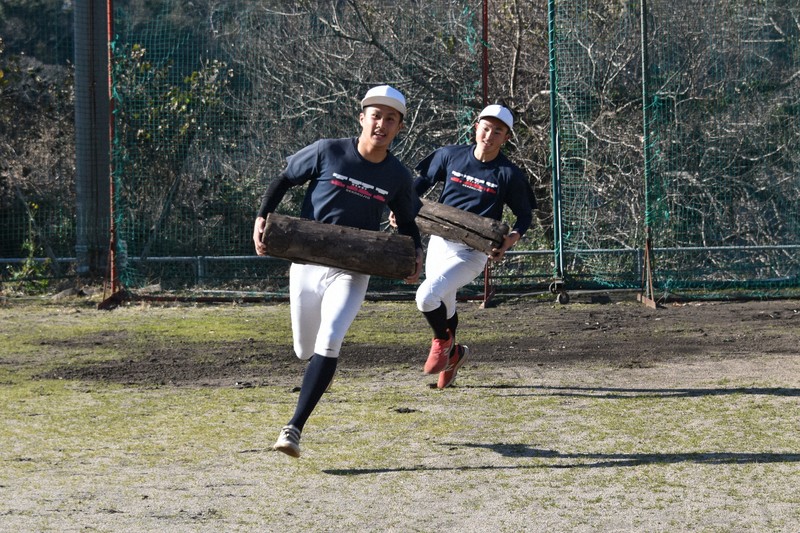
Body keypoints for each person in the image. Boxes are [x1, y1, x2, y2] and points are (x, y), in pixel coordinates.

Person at [252, 85, 423, 458]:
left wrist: (416, 256)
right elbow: (284, 178)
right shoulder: (327, 150)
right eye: (376, 115)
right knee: (304, 349)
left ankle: (293, 428)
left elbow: (408, 221)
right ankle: (311, 374)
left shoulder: (397, 175)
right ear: (362, 117)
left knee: (330, 341)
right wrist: (262, 216)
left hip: (352, 270)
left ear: (399, 127)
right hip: (307, 265)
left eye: (391, 119)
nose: (382, 124)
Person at [412, 104, 536, 389]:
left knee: (426, 296)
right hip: (440, 241)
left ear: (506, 137)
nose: (490, 135)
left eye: (498, 131)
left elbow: (524, 216)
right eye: (486, 127)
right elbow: (422, 182)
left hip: (473, 252)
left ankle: (442, 343)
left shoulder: (508, 174)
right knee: (445, 301)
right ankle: (454, 355)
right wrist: (402, 207)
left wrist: (510, 240)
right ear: (476, 125)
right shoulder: (450, 155)